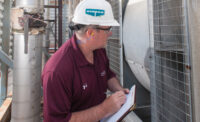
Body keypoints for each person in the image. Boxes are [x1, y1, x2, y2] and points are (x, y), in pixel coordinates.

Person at [42, 0, 129, 121]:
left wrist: (119, 90)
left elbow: (107, 75)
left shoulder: (98, 50)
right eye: (107, 29)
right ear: (91, 33)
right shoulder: (57, 71)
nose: (110, 33)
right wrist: (104, 109)